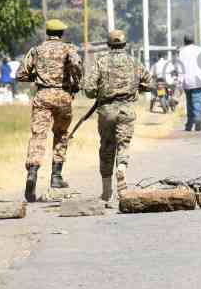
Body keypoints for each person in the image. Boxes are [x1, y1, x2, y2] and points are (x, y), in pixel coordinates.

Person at [16, 19, 82, 202]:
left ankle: (32, 172)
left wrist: (38, 77)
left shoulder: (36, 50)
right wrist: (76, 82)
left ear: (47, 33)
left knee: (38, 135)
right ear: (62, 34)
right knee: (61, 134)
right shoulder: (69, 49)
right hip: (63, 96)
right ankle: (56, 176)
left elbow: (20, 74)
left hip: (43, 96)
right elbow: (76, 65)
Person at [83, 30, 152, 202]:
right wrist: (136, 88)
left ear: (108, 45)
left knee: (106, 148)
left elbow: (89, 90)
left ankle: (107, 191)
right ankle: (121, 167)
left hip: (106, 111)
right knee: (123, 145)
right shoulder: (133, 62)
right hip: (126, 110)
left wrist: (100, 92)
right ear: (124, 44)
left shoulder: (101, 62)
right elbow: (149, 83)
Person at [178, 34, 201, 131]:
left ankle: (189, 124)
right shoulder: (199, 49)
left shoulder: (182, 52)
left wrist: (179, 81)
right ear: (193, 40)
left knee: (189, 102)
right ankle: (198, 119)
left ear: (184, 41)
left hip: (187, 81)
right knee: (197, 100)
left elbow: (180, 68)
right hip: (199, 79)